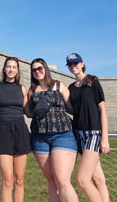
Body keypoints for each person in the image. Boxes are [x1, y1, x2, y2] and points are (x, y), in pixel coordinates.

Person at [29, 58, 78, 202]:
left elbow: (72, 108)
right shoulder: (31, 90)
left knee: (62, 180)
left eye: (40, 68)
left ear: (45, 68)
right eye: (34, 70)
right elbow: (29, 112)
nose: (37, 71)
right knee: (51, 181)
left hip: (62, 135)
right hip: (39, 138)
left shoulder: (59, 86)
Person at [67, 53, 110, 202]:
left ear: (82, 64)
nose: (74, 66)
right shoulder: (71, 88)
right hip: (79, 135)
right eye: (71, 64)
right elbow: (71, 109)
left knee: (83, 179)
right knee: (98, 178)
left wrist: (104, 139)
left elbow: (102, 110)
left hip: (93, 134)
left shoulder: (92, 81)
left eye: (76, 63)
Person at [0, 57, 31, 202]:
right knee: (7, 179)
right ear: (4, 69)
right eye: (8, 66)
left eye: (14, 67)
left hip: (21, 132)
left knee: (19, 179)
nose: (11, 69)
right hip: (2, 132)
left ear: (18, 70)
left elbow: (28, 112)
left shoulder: (22, 89)